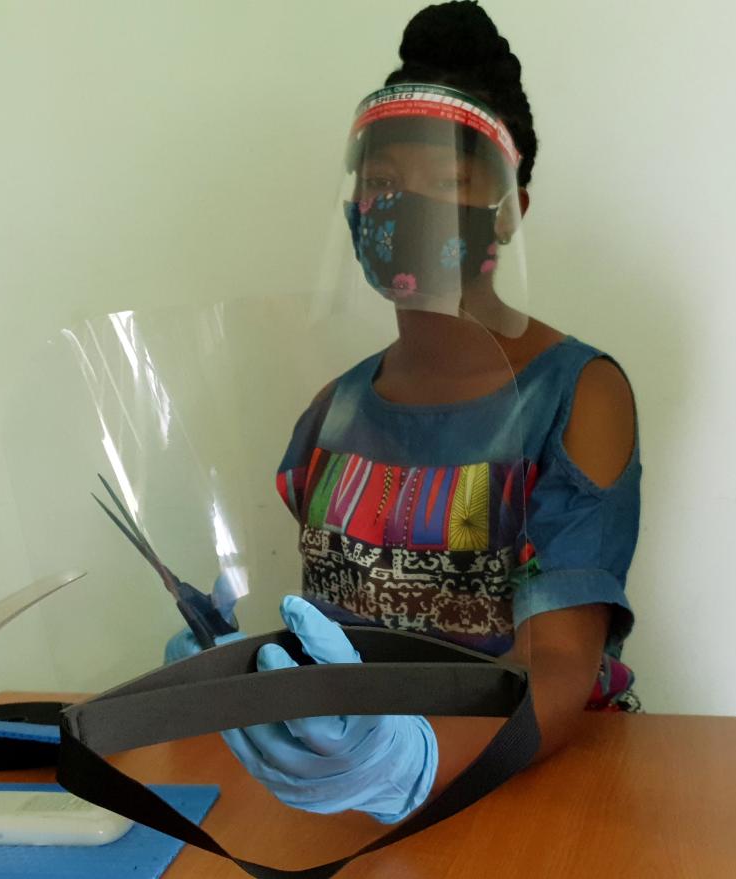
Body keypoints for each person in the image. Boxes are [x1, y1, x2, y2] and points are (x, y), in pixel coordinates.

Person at [167, 0, 641, 825]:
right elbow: (330, 632)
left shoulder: (580, 394)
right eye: (382, 182)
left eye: (448, 181)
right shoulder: (332, 409)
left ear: (510, 205)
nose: (402, 206)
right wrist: (241, 668)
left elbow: (561, 660)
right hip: (351, 804)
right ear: (353, 207)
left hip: (527, 790)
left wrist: (414, 764)